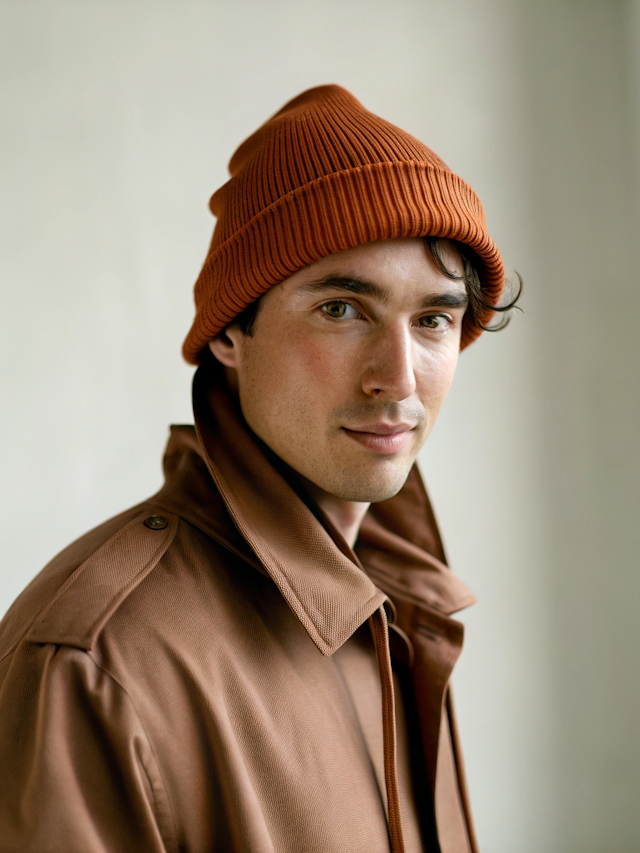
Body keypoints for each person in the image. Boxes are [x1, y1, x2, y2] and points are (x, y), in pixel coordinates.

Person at [0, 85, 519, 853]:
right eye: (341, 309)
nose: (399, 377)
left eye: (433, 319)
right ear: (228, 335)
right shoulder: (96, 660)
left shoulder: (400, 603)